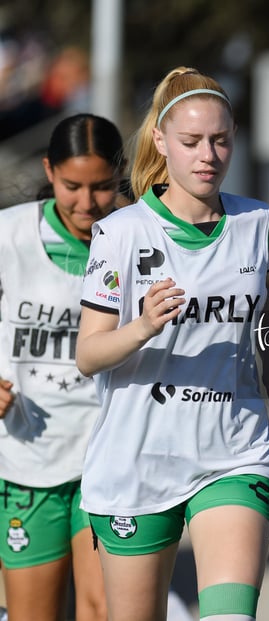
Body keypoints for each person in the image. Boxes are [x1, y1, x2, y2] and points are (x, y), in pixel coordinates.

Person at [75, 66, 269, 621]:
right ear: (160, 141)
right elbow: (88, 356)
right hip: (138, 461)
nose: (208, 155)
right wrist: (143, 326)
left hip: (235, 453)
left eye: (220, 141)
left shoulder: (258, 222)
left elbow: (264, 296)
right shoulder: (122, 232)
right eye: (192, 141)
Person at [0, 112, 127, 621]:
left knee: (102, 608)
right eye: (72, 185)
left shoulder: (137, 237)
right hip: (28, 455)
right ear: (49, 171)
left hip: (111, 454)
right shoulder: (9, 235)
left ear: (120, 176)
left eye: (102, 187)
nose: (87, 202)